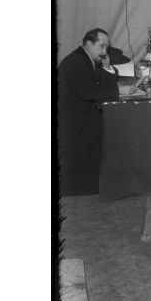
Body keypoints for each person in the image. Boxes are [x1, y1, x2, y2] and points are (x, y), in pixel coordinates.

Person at [58, 28, 120, 196]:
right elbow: (88, 92)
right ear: (88, 44)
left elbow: (102, 83)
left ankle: (91, 192)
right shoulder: (75, 63)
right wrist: (119, 90)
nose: (104, 51)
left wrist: (107, 67)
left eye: (106, 47)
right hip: (75, 124)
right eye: (101, 46)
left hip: (83, 119)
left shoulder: (86, 59)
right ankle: (84, 195)